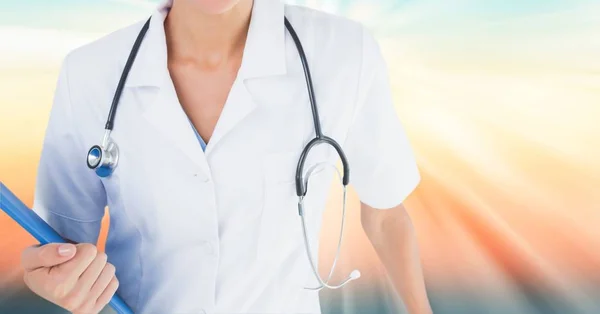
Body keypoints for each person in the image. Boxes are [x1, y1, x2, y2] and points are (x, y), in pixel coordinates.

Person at [19, 0, 432, 313]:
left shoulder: (344, 54)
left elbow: (385, 217)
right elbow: (58, 246)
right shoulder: (89, 73)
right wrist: (54, 281)